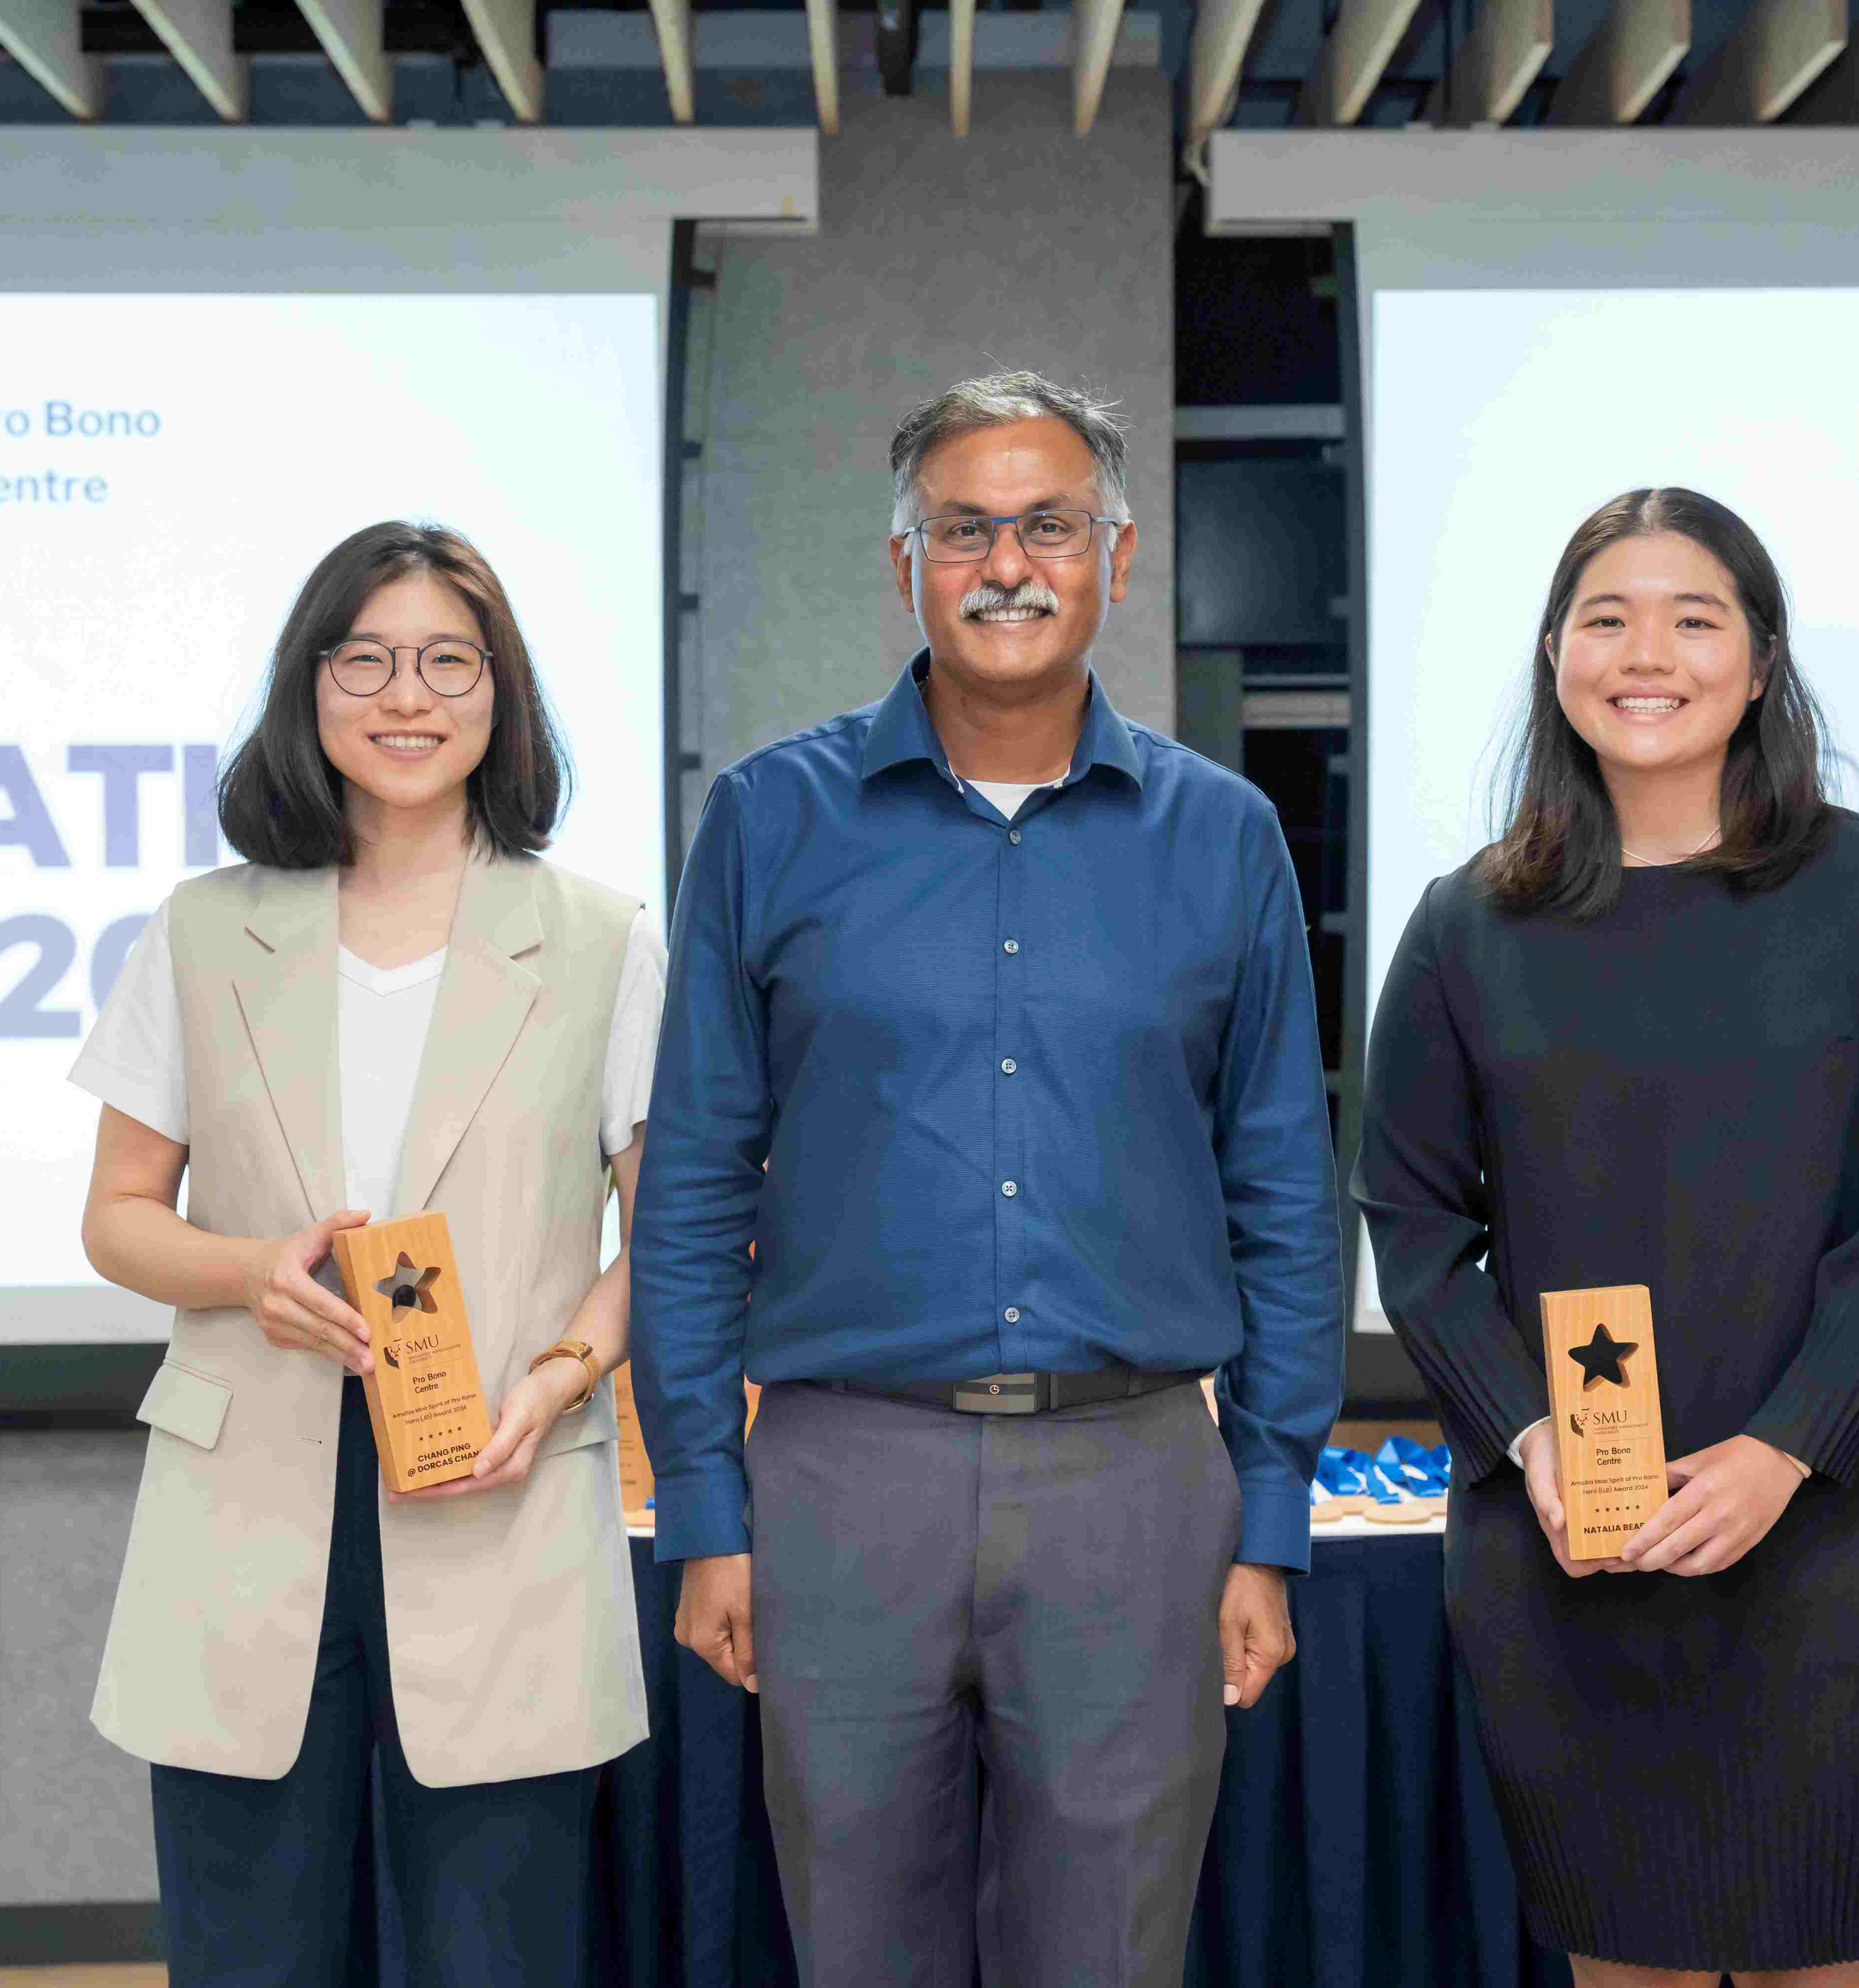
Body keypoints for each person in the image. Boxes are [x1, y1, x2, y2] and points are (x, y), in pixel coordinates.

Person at [630, 370, 1345, 1987]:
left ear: (1116, 555)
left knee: (1108, 1959)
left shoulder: (1223, 837)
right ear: (904, 566)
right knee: (857, 1953)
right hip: (837, 1484)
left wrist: (1277, 1512)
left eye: (1048, 525)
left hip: (1138, 1484)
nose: (1006, 562)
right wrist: (702, 1503)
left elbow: (1286, 1192)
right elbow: (690, 1185)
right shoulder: (768, 819)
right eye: (964, 529)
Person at [1353, 488, 1859, 1987]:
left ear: (1763, 664)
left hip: (1840, 1545)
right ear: (1553, 656)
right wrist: (1526, 1437)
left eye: (1695, 617)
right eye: (1607, 616)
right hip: (1575, 1555)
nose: (1648, 652)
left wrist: (1788, 1446)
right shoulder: (1470, 926)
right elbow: (1410, 1221)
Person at [70, 521, 662, 1988]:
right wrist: (247, 1268)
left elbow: (672, 1235)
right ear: (311, 690)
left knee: (497, 1955)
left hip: (498, 1485)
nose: (409, 697)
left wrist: (569, 1373)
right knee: (251, 1956)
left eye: (449, 662)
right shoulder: (205, 933)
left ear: (500, 696)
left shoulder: (600, 941)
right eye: (368, 661)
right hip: (248, 1500)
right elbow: (119, 1215)